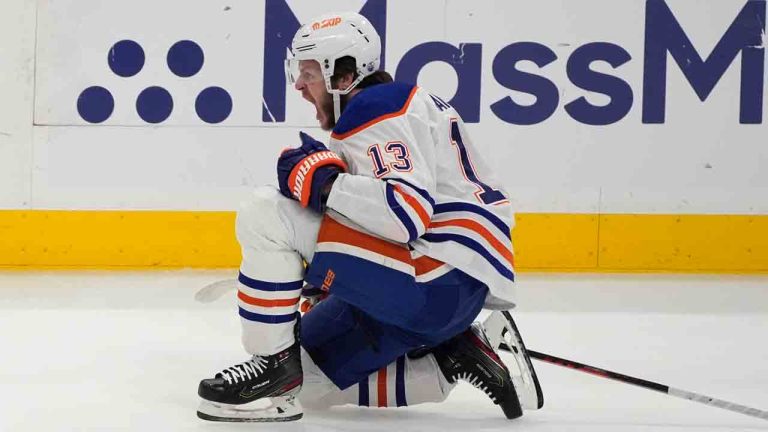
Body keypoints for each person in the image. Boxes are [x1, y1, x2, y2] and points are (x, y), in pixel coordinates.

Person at [196, 11, 543, 422]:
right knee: (309, 383)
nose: (299, 85)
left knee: (266, 213)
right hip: (446, 291)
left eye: (308, 72)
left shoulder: (376, 106)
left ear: (343, 76)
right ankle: (450, 359)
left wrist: (324, 185)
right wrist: (338, 280)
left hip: (431, 278)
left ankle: (271, 369)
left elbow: (403, 215)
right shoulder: (398, 106)